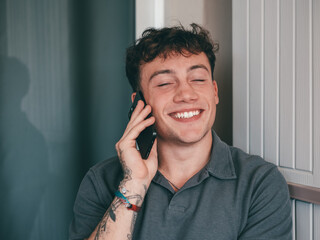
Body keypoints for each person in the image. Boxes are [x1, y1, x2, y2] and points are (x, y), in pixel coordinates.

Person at [69, 24, 292, 240]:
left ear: (214, 92)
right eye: (165, 83)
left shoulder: (259, 182)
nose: (186, 94)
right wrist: (133, 184)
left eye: (197, 79)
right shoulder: (101, 180)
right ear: (138, 103)